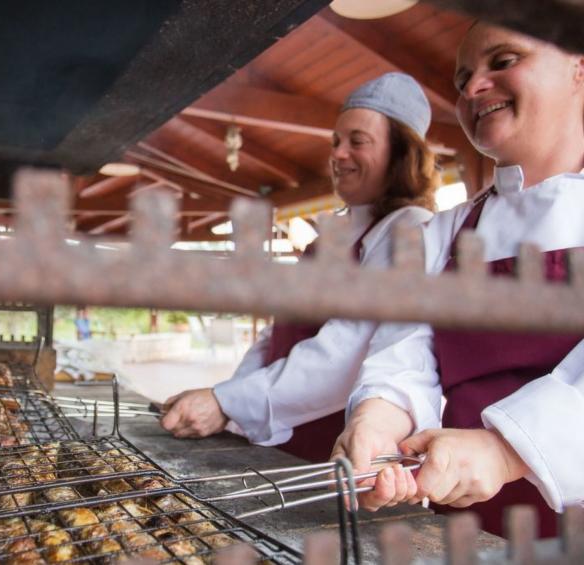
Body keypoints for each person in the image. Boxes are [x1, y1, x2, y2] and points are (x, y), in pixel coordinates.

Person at [333, 21, 584, 539]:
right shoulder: (445, 231)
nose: (471, 89)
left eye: (504, 61)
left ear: (578, 64)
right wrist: (378, 420)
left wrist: (507, 449)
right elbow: (405, 350)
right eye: (463, 76)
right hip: (470, 524)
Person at [160, 73, 439, 462]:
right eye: (336, 142)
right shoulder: (333, 236)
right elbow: (278, 333)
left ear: (400, 154)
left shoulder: (409, 231)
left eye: (357, 141)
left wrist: (227, 402)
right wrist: (224, 399)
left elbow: (345, 352)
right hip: (282, 440)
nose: (338, 154)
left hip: (329, 449)